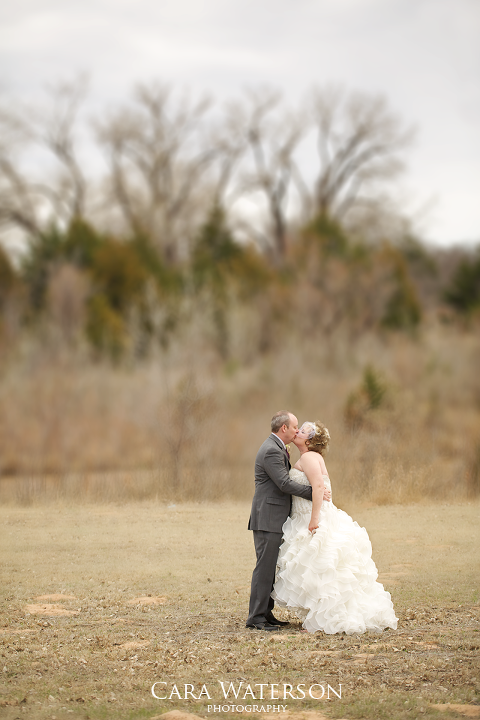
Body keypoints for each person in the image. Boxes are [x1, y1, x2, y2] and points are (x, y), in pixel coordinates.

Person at [271, 420, 398, 634]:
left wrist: (314, 519)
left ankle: (322, 620)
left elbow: (319, 486)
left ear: (310, 440)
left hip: (312, 517)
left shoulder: (310, 457)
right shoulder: (308, 457)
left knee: (320, 567)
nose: (298, 431)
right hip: (307, 515)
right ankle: (317, 616)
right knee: (314, 567)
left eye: (302, 431)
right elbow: (317, 486)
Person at [246, 411, 331, 631]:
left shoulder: (278, 448)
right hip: (268, 517)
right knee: (264, 568)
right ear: (284, 428)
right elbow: (284, 484)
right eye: (294, 427)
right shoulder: (271, 450)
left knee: (271, 567)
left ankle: (266, 612)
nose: (296, 431)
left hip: (275, 517)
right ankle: (256, 618)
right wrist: (313, 491)